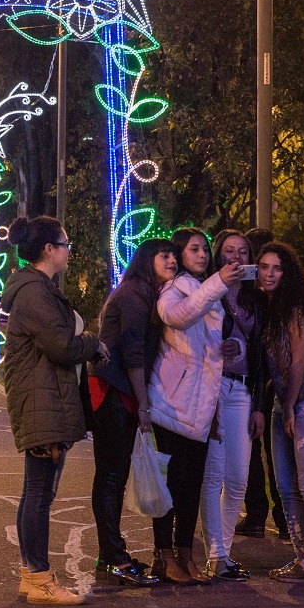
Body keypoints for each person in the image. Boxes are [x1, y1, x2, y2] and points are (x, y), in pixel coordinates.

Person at [1, 215, 101, 605]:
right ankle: (41, 581)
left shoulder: (35, 288)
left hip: (44, 397)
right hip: (42, 400)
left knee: (36, 492)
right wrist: (92, 341)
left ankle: (33, 576)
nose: (69, 250)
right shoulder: (35, 293)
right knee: (40, 494)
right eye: (65, 244)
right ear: (49, 250)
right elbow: (62, 346)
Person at [149, 227, 243, 585]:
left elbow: (216, 347)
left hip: (201, 407)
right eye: (194, 249)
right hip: (172, 405)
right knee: (170, 487)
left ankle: (186, 556)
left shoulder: (211, 293)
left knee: (191, 486)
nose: (202, 255)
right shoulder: (175, 289)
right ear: (180, 254)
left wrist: (237, 349)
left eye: (205, 249)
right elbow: (179, 316)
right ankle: (164, 556)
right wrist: (218, 282)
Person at [90, 239, 177, 587]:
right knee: (110, 476)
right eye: (164, 255)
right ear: (146, 260)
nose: (172, 260)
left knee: (114, 475)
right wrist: (143, 405)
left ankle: (110, 553)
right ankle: (113, 558)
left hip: (120, 390)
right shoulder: (133, 296)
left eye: (173, 255)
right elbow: (133, 355)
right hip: (114, 391)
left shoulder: (145, 294)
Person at [257, 242, 304, 582]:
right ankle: (301, 557)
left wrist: (288, 407)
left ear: (288, 274)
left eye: (277, 268)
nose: (269, 274)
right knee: (286, 486)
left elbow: (299, 362)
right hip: (282, 406)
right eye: (264, 267)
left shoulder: (297, 310)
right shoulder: (270, 309)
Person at [199, 230, 266, 582]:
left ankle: (222, 550)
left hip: (242, 390)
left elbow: (260, 354)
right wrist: (218, 350)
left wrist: (259, 404)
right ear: (217, 256)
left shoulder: (256, 300)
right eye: (228, 251)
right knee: (214, 475)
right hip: (212, 389)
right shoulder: (209, 291)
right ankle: (217, 556)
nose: (236, 257)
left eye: (242, 252)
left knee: (238, 477)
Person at [237, 226, 289, 543]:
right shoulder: (278, 296)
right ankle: (282, 520)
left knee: (256, 452)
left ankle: (258, 515)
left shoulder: (255, 298)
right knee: (274, 453)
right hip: (272, 383)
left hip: (262, 382)